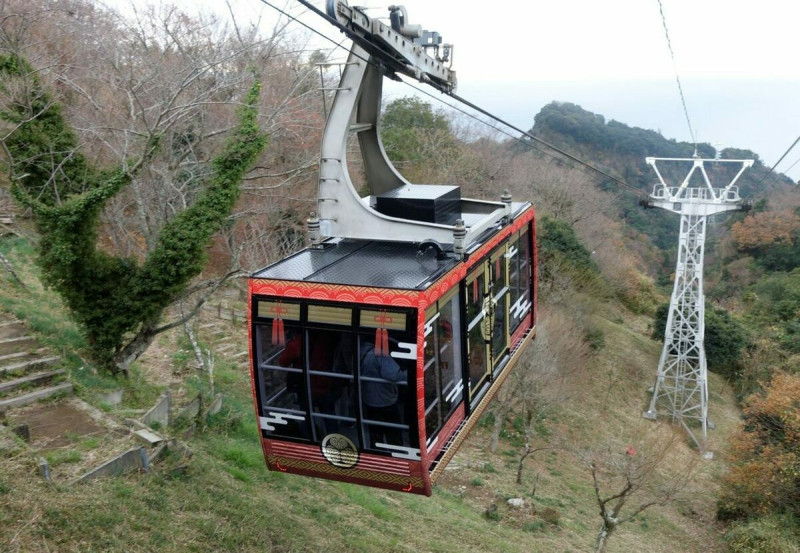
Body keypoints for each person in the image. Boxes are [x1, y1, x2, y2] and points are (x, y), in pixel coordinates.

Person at [359, 339, 407, 448]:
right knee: (394, 437)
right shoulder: (379, 354)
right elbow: (394, 375)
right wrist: (411, 373)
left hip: (369, 400)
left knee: (375, 435)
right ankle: (396, 459)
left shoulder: (359, 350)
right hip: (386, 400)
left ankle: (377, 454)